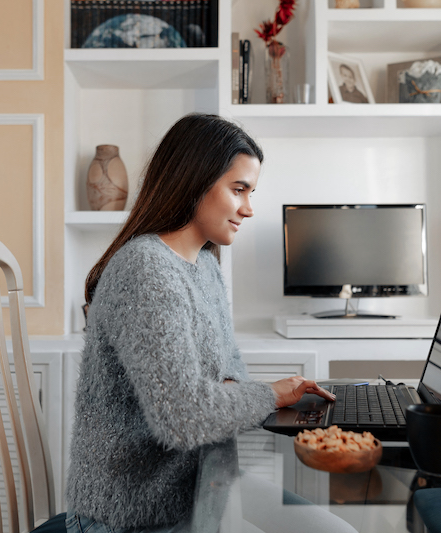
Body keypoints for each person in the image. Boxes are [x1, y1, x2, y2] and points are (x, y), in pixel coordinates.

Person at [65, 114, 341, 533]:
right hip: (133, 516)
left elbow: (229, 377)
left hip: (203, 488)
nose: (249, 209)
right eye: (239, 189)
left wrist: (240, 395)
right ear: (194, 180)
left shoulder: (205, 266)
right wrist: (269, 395)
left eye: (251, 192)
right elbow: (185, 417)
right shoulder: (145, 269)